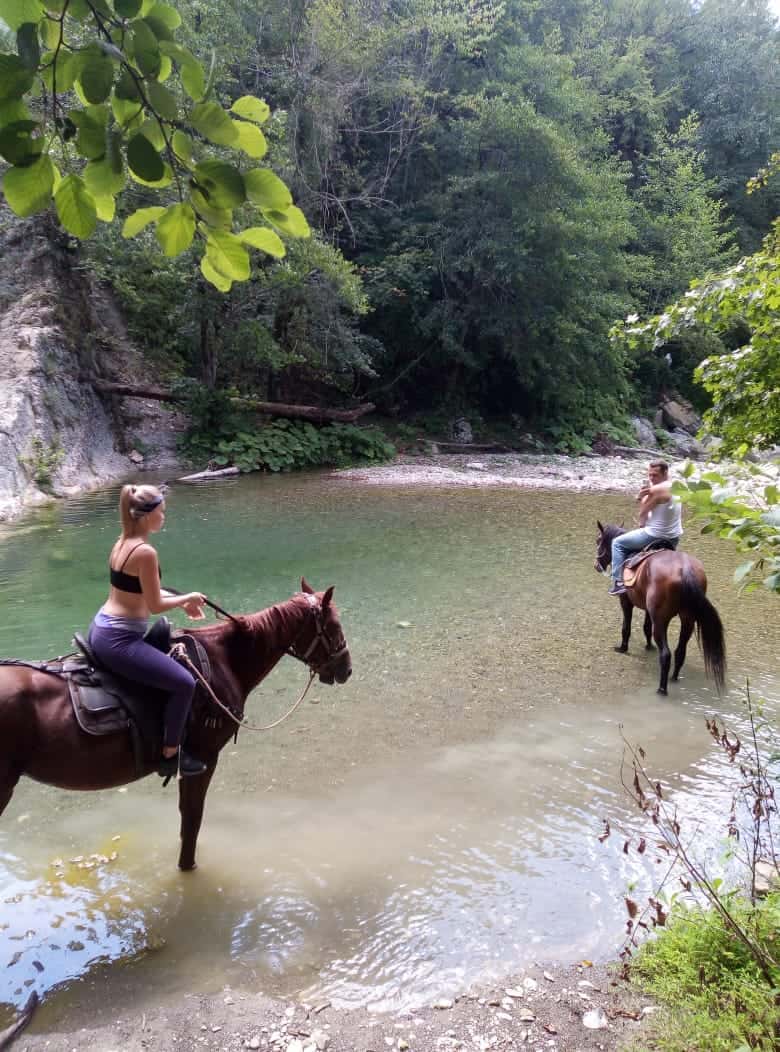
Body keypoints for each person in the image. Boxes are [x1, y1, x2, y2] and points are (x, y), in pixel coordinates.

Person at [88, 484, 208, 776]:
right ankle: (170, 754)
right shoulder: (145, 553)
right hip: (120, 640)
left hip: (101, 627)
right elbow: (153, 605)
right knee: (184, 683)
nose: (164, 516)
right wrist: (188, 598)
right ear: (146, 515)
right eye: (161, 511)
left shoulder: (121, 543)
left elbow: (138, 594)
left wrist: (179, 603)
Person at [608, 459, 683, 596]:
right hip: (674, 538)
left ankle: (618, 582)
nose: (652, 478)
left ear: (665, 472)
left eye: (655, 475)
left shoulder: (655, 490)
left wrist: (641, 498)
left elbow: (642, 515)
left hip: (654, 535)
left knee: (617, 543)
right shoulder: (676, 486)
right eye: (650, 475)